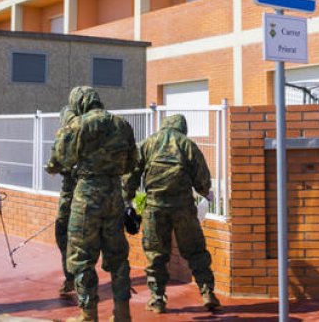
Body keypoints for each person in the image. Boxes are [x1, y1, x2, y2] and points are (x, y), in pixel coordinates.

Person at [124, 114, 221, 313]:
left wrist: (128, 198)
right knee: (195, 251)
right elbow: (202, 177)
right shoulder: (187, 145)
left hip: (154, 208)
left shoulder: (148, 143)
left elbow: (131, 172)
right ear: (182, 127)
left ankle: (157, 298)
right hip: (183, 208)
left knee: (156, 254)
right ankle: (207, 292)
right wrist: (204, 192)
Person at [61, 87, 138, 322]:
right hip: (114, 196)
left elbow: (59, 160)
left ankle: (88, 314)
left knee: (82, 257)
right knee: (118, 256)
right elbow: (131, 163)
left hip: (86, 197)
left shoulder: (77, 125)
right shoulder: (122, 124)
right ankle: (122, 313)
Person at [44, 86, 88, 298]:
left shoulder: (69, 131)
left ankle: (75, 280)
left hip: (74, 192)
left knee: (66, 233)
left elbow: (54, 163)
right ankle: (75, 279)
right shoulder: (94, 126)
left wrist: (53, 166)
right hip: (96, 192)